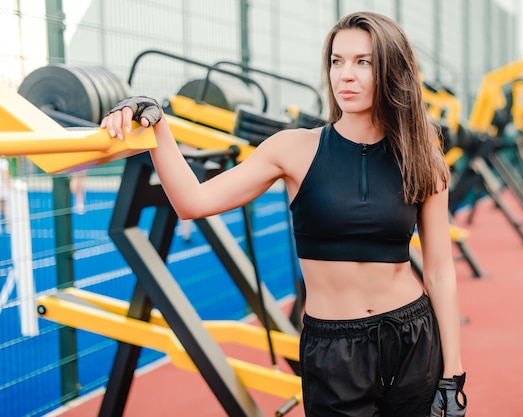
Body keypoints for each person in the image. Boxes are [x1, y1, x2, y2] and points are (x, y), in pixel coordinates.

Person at [102, 11, 466, 417]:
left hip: (412, 339)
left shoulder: (423, 158)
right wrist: (158, 127)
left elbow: (438, 271)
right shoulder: (293, 149)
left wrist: (454, 376)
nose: (346, 74)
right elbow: (192, 203)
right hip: (334, 349)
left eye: (363, 62)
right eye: (337, 61)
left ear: (391, 70)